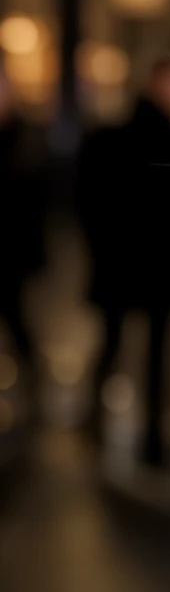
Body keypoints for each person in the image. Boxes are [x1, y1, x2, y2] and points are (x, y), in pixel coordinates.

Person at [77, 57, 170, 466]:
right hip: (151, 265)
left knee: (120, 343)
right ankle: (147, 436)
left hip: (127, 264)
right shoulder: (165, 139)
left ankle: (102, 423)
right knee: (147, 350)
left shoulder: (125, 136)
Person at [0, 65, 45, 382]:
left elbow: (36, 201)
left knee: (17, 319)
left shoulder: (25, 139)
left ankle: (32, 380)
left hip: (11, 248)